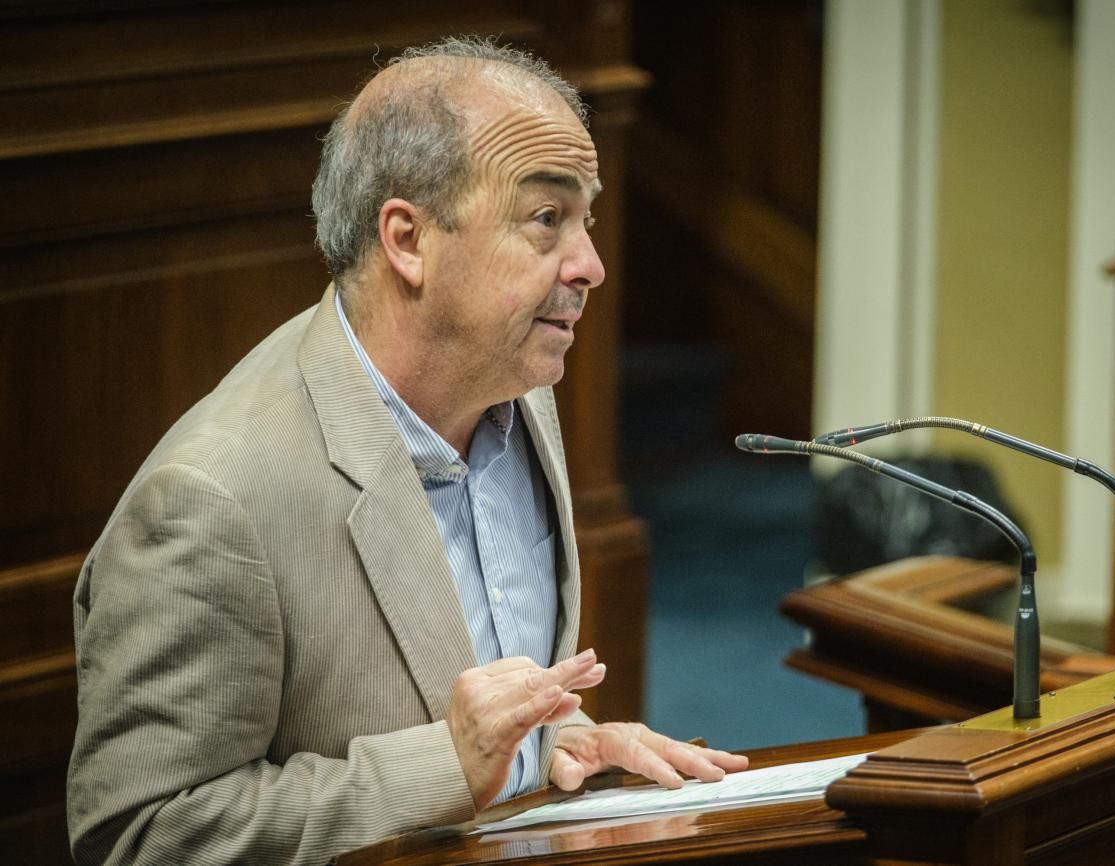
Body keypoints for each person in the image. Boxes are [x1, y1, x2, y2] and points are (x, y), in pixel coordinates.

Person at [67, 36, 746, 866]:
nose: (591, 266)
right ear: (408, 239)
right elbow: (142, 833)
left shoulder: (517, 388)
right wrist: (443, 769)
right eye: (546, 219)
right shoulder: (210, 499)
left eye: (586, 221)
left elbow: (459, 678)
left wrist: (553, 739)